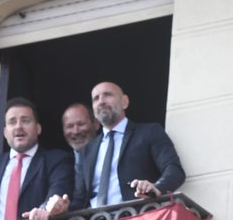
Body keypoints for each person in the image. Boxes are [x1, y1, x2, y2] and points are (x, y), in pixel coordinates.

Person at [74, 81, 185, 209]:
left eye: (108, 95)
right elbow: (79, 200)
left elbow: (174, 170)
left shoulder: (149, 132)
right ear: (93, 111)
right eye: (96, 98)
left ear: (124, 102)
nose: (101, 101)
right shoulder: (86, 151)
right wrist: (58, 208)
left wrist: (156, 188)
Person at [61, 102, 97, 177]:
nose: (76, 131)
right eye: (70, 126)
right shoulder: (61, 164)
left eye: (81, 124)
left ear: (96, 124)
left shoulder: (110, 157)